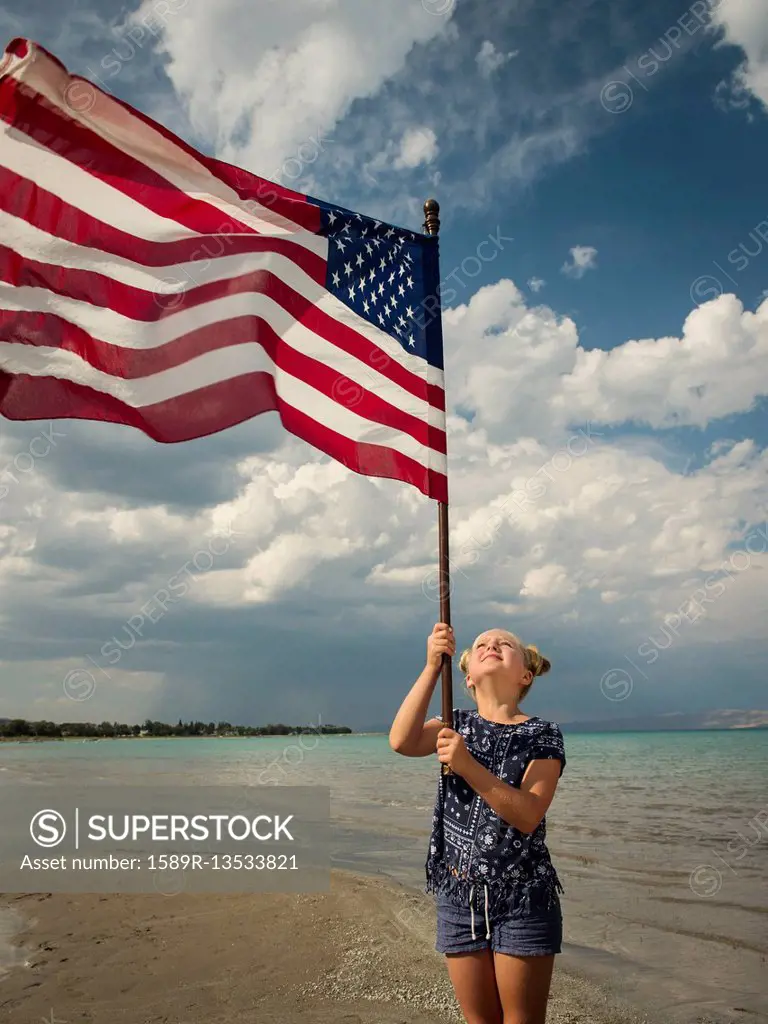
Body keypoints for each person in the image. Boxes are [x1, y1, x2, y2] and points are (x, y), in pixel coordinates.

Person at [389, 622, 566, 1024]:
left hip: (524, 896)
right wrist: (433, 666)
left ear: (526, 674)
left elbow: (527, 813)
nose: (492, 645)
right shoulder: (455, 724)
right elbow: (401, 740)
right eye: (483, 643)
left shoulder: (542, 733)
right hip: (459, 894)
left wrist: (466, 765)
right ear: (467, 676)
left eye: (505, 644)